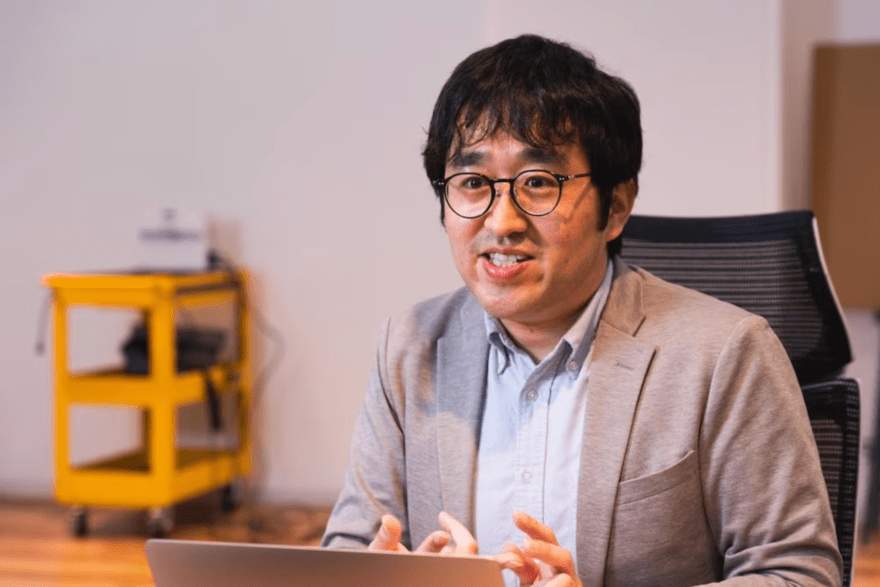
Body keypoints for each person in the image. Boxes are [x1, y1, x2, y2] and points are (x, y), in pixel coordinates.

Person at [321, 34, 842, 587]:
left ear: (615, 206)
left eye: (538, 183)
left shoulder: (725, 355)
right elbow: (346, 552)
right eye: (472, 183)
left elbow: (799, 575)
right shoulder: (409, 347)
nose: (501, 222)